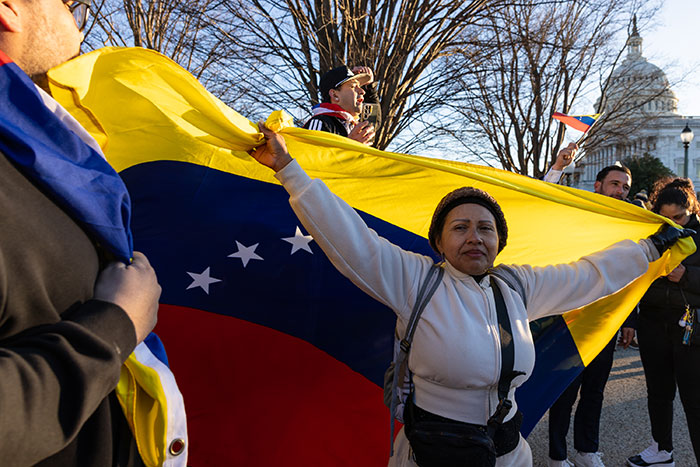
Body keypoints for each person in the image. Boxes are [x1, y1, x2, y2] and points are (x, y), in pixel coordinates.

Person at [250, 123, 690, 466]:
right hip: (429, 456)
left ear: (499, 242)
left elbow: (590, 275)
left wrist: (649, 249)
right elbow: (349, 238)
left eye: (485, 229)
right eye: (459, 228)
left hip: (509, 455)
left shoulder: (518, 285)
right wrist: (290, 171)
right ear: (439, 242)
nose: (474, 238)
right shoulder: (415, 280)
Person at [0, 0, 163, 464]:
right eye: (75, 6)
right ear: (10, 9)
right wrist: (114, 327)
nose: (79, 27)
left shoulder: (30, 150)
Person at [545, 158, 637, 467]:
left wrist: (629, 320)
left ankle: (587, 451)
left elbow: (634, 274)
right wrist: (558, 166)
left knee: (594, 391)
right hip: (570, 319)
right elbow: (546, 200)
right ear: (597, 186)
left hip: (606, 320)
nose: (620, 191)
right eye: (615, 184)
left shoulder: (630, 225)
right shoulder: (578, 212)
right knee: (564, 391)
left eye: (625, 187)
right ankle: (557, 455)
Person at [627, 178, 700, 467]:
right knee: (658, 393)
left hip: (691, 325)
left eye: (679, 218)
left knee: (695, 399)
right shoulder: (650, 234)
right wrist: (631, 320)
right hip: (654, 322)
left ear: (691, 208)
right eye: (666, 218)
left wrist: (687, 276)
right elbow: (633, 279)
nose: (674, 225)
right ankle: (661, 450)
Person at [304, 65, 378, 145]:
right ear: (335, 95)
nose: (362, 91)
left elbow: (373, 119)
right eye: (353, 86)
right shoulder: (320, 122)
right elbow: (309, 155)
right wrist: (350, 147)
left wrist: (370, 88)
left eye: (359, 86)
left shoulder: (354, 126)